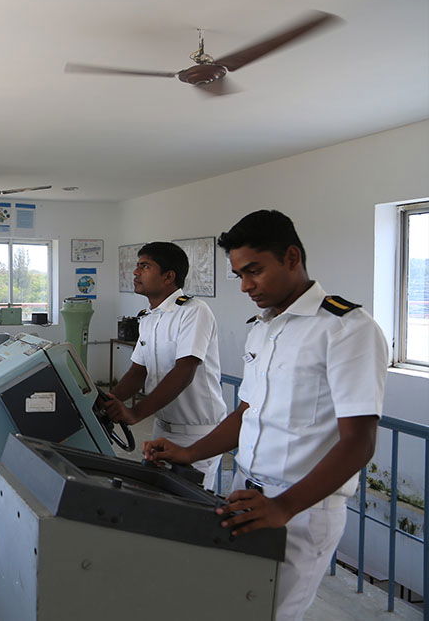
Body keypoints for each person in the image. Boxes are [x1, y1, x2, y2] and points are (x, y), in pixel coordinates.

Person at [144, 210, 388, 621]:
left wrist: (285, 506)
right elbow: (248, 412)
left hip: (302, 508)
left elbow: (359, 442)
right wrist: (188, 453)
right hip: (246, 494)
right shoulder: (264, 327)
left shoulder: (346, 329)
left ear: (291, 257)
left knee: (271, 613)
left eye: (254, 271)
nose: (246, 286)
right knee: (232, 603)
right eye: (239, 274)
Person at [100, 242, 227, 490]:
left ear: (169, 276)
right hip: (162, 428)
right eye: (137, 266)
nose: (136, 273)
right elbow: (138, 371)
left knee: (188, 506)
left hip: (196, 432)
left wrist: (135, 413)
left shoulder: (193, 312)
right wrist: (106, 403)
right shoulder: (149, 318)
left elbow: (184, 371)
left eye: (145, 266)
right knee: (159, 500)